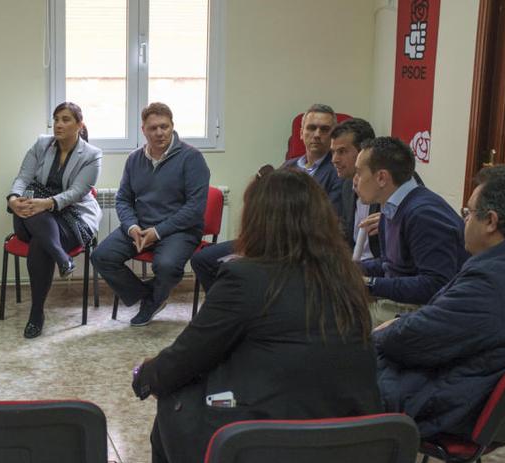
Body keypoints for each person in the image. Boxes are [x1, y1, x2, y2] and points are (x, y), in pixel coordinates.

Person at [132, 168, 381, 463]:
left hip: (268, 450)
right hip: (350, 446)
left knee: (173, 404)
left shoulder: (245, 278)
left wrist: (145, 376)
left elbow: (185, 357)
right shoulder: (345, 278)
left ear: (257, 221)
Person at [374, 165, 505, 438]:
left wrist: (378, 335)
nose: (464, 220)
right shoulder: (498, 269)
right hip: (469, 389)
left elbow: (417, 339)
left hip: (449, 402)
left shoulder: (491, 280)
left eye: (468, 213)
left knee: (329, 379)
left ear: (491, 222)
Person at [190, 103, 342, 293]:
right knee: (202, 260)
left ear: (333, 135)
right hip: (267, 238)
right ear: (301, 133)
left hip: (299, 246)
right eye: (311, 128)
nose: (317, 134)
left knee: (243, 270)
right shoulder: (289, 165)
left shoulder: (336, 171)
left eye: (325, 129)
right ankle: (231, 313)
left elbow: (331, 221)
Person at [92, 102, 209, 326]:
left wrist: (158, 232)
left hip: (179, 230)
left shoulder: (191, 158)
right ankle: (151, 296)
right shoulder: (134, 159)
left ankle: (153, 298)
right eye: (153, 128)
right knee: (101, 257)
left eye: (164, 127)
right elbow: (123, 198)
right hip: (141, 227)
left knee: (165, 266)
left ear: (172, 127)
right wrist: (132, 227)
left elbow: (195, 209)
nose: (159, 133)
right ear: (143, 130)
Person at [7, 102, 101, 338]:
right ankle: (62, 258)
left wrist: (47, 203)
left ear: (79, 125)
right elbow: (23, 176)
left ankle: (36, 314)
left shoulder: (91, 155)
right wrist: (13, 198)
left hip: (72, 215)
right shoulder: (42, 144)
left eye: (66, 119)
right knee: (35, 215)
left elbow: (76, 193)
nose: (59, 124)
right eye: (56, 118)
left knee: (41, 244)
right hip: (31, 216)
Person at [354, 137, 468, 323]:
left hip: (429, 312)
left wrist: (369, 284)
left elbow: (435, 284)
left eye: (359, 173)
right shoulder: (392, 206)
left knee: (334, 319)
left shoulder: (423, 214)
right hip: (402, 302)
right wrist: (353, 269)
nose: (355, 181)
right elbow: (391, 264)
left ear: (381, 177)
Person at [329, 118, 379, 258]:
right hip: (354, 266)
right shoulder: (346, 185)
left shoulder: (389, 180)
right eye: (333, 152)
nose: (334, 159)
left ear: (364, 152)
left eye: (342, 151)